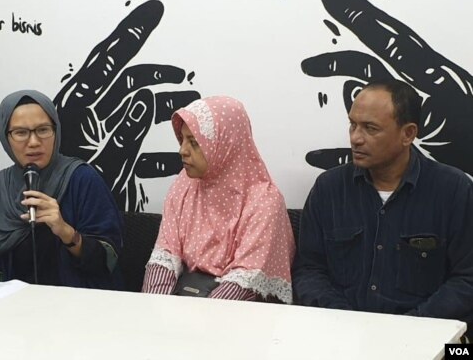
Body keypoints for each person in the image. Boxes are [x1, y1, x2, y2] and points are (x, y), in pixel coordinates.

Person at [292, 79, 473, 337]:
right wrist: (344, 323)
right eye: (352, 125)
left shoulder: (454, 190)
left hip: (431, 336)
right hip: (341, 336)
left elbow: (467, 279)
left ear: (408, 133)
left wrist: (409, 328)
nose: (356, 138)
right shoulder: (329, 188)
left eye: (370, 128)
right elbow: (309, 270)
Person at [142, 96, 295, 302]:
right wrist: (154, 310)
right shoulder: (185, 185)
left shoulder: (265, 201)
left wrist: (198, 324)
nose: (182, 151)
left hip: (240, 318)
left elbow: (245, 280)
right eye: (182, 139)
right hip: (182, 307)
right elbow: (165, 255)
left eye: (194, 143)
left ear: (226, 145)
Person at [0, 90, 123, 289]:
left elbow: (108, 261)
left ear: (56, 130)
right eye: (20, 133)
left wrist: (66, 231)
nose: (33, 142)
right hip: (13, 308)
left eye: (43, 130)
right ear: (5, 137)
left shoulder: (82, 179)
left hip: (79, 304)